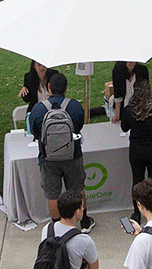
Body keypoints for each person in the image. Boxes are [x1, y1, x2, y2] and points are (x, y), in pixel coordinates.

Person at [28, 72, 91, 228]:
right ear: (66, 88)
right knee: (77, 191)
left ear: (49, 87)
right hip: (73, 156)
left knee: (53, 195)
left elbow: (35, 133)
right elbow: (78, 127)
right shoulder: (75, 106)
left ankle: (57, 227)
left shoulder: (38, 109)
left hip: (48, 159)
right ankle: (84, 222)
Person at [116, 65, 152, 226]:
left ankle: (137, 213)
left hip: (137, 151)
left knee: (137, 181)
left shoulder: (129, 110)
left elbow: (124, 127)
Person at [39, 189, 99, 269]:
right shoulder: (84, 241)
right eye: (82, 206)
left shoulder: (47, 229)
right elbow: (94, 266)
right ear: (77, 212)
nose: (83, 209)